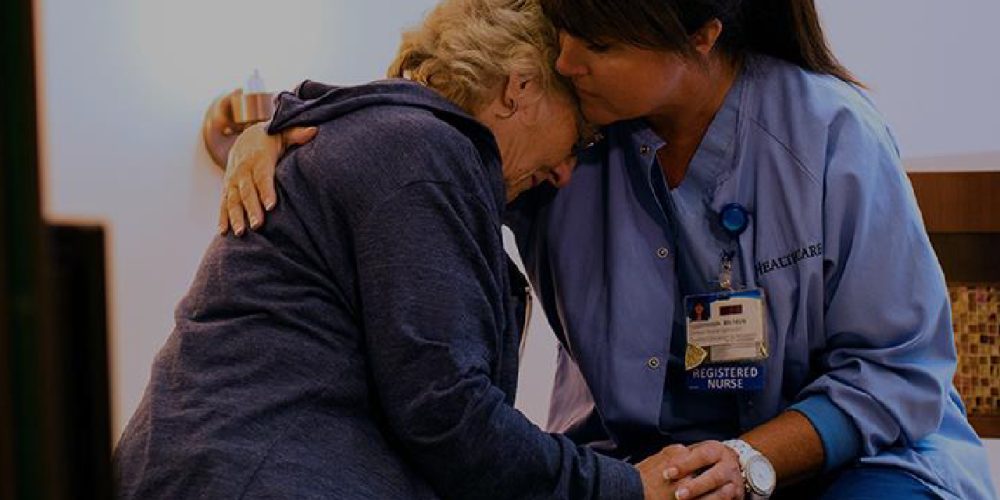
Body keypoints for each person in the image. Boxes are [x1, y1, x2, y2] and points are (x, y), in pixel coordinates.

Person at [219, 0, 998, 499]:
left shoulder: (832, 137)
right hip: (644, 468)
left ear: (699, 36)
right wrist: (270, 124)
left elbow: (897, 373)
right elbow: (425, 109)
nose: (566, 59)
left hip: (850, 459)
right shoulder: (563, 146)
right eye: (563, 34)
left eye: (595, 42)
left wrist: (750, 460)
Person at [114, 0, 682, 498]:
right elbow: (447, 411)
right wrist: (625, 486)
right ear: (521, 88)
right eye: (581, 134)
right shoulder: (425, 155)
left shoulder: (390, 139)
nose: (565, 171)